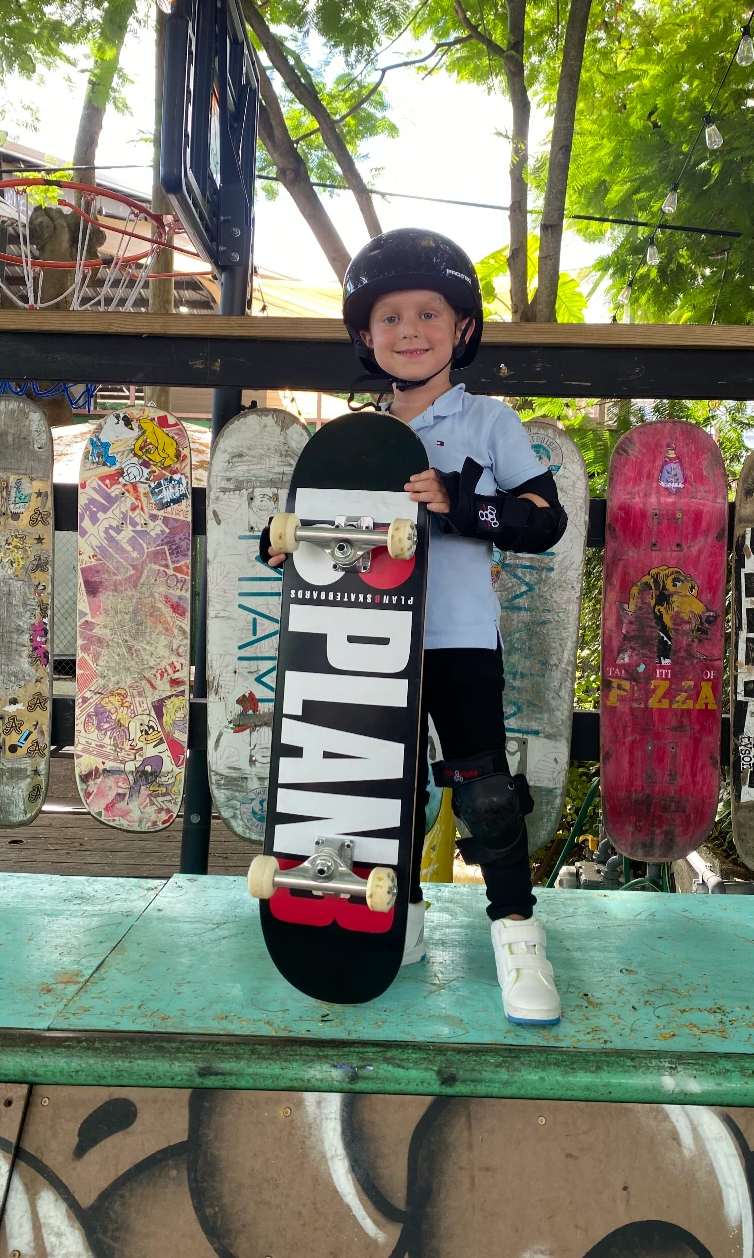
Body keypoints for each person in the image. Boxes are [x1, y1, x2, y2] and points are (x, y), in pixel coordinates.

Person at [263, 229, 567, 1025]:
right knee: (376, 788)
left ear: (462, 328)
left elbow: (545, 518)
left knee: (484, 788)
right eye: (390, 317)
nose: (409, 331)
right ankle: (406, 913)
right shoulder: (354, 439)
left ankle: (516, 931)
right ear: (365, 336)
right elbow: (326, 547)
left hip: (459, 636)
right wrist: (285, 540)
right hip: (367, 640)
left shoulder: (488, 421)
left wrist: (463, 506)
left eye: (428, 314)